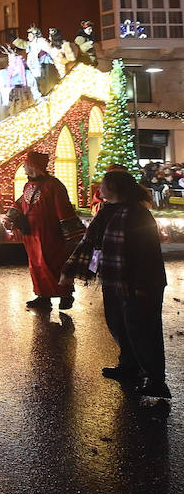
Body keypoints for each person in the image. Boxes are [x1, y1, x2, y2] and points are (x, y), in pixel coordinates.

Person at [61, 170, 170, 400]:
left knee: (143, 330)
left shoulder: (138, 214)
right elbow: (90, 241)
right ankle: (129, 365)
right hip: (114, 280)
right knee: (119, 324)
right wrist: (69, 270)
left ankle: (155, 380)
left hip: (139, 283)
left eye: (104, 185)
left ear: (116, 188)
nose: (99, 188)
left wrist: (141, 285)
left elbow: (147, 253)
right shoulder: (108, 211)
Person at [5, 150, 84, 310]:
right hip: (32, 234)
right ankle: (43, 295)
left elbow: (63, 208)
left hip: (50, 234)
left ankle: (65, 294)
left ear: (33, 165)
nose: (24, 168)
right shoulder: (28, 185)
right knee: (36, 265)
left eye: (26, 164)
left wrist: (70, 233)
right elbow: (20, 204)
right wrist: (10, 217)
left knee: (54, 264)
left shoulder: (54, 185)